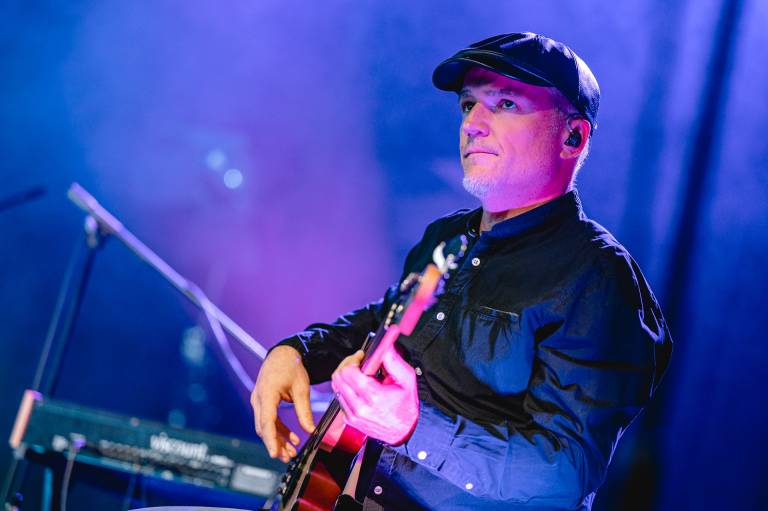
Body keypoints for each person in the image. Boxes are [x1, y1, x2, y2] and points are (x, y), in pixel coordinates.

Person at [251, 32, 673, 510]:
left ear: (572, 136)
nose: (472, 124)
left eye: (506, 104)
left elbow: (563, 473)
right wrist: (298, 351)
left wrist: (413, 428)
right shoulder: (446, 236)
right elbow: (385, 318)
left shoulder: (600, 279)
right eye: (469, 104)